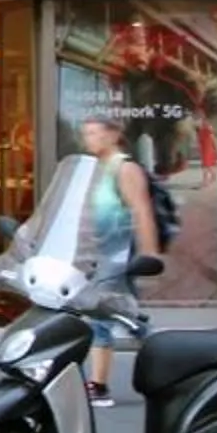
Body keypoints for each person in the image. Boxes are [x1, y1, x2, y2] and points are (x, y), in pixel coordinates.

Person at [75, 116, 159, 409]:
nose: (90, 139)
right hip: (97, 255)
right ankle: (171, 361)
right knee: (129, 319)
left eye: (95, 133)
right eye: (86, 133)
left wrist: (149, 253)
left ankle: (98, 386)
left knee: (100, 316)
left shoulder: (125, 168)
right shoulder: (93, 168)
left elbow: (141, 210)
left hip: (117, 255)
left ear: (113, 135)